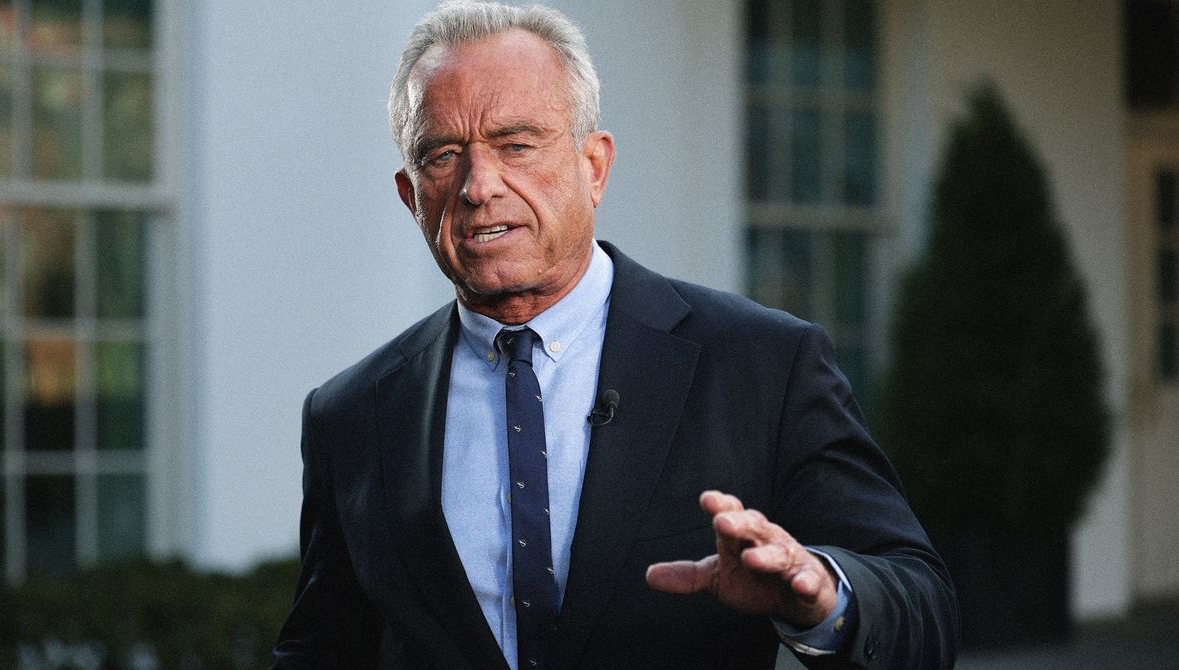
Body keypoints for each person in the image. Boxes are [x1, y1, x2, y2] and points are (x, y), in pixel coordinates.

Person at [273, 2, 957, 668]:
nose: (480, 186)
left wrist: (824, 600)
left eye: (516, 144)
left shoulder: (763, 365)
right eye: (443, 155)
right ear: (410, 195)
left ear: (593, 167)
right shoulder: (351, 415)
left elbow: (919, 602)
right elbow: (321, 649)